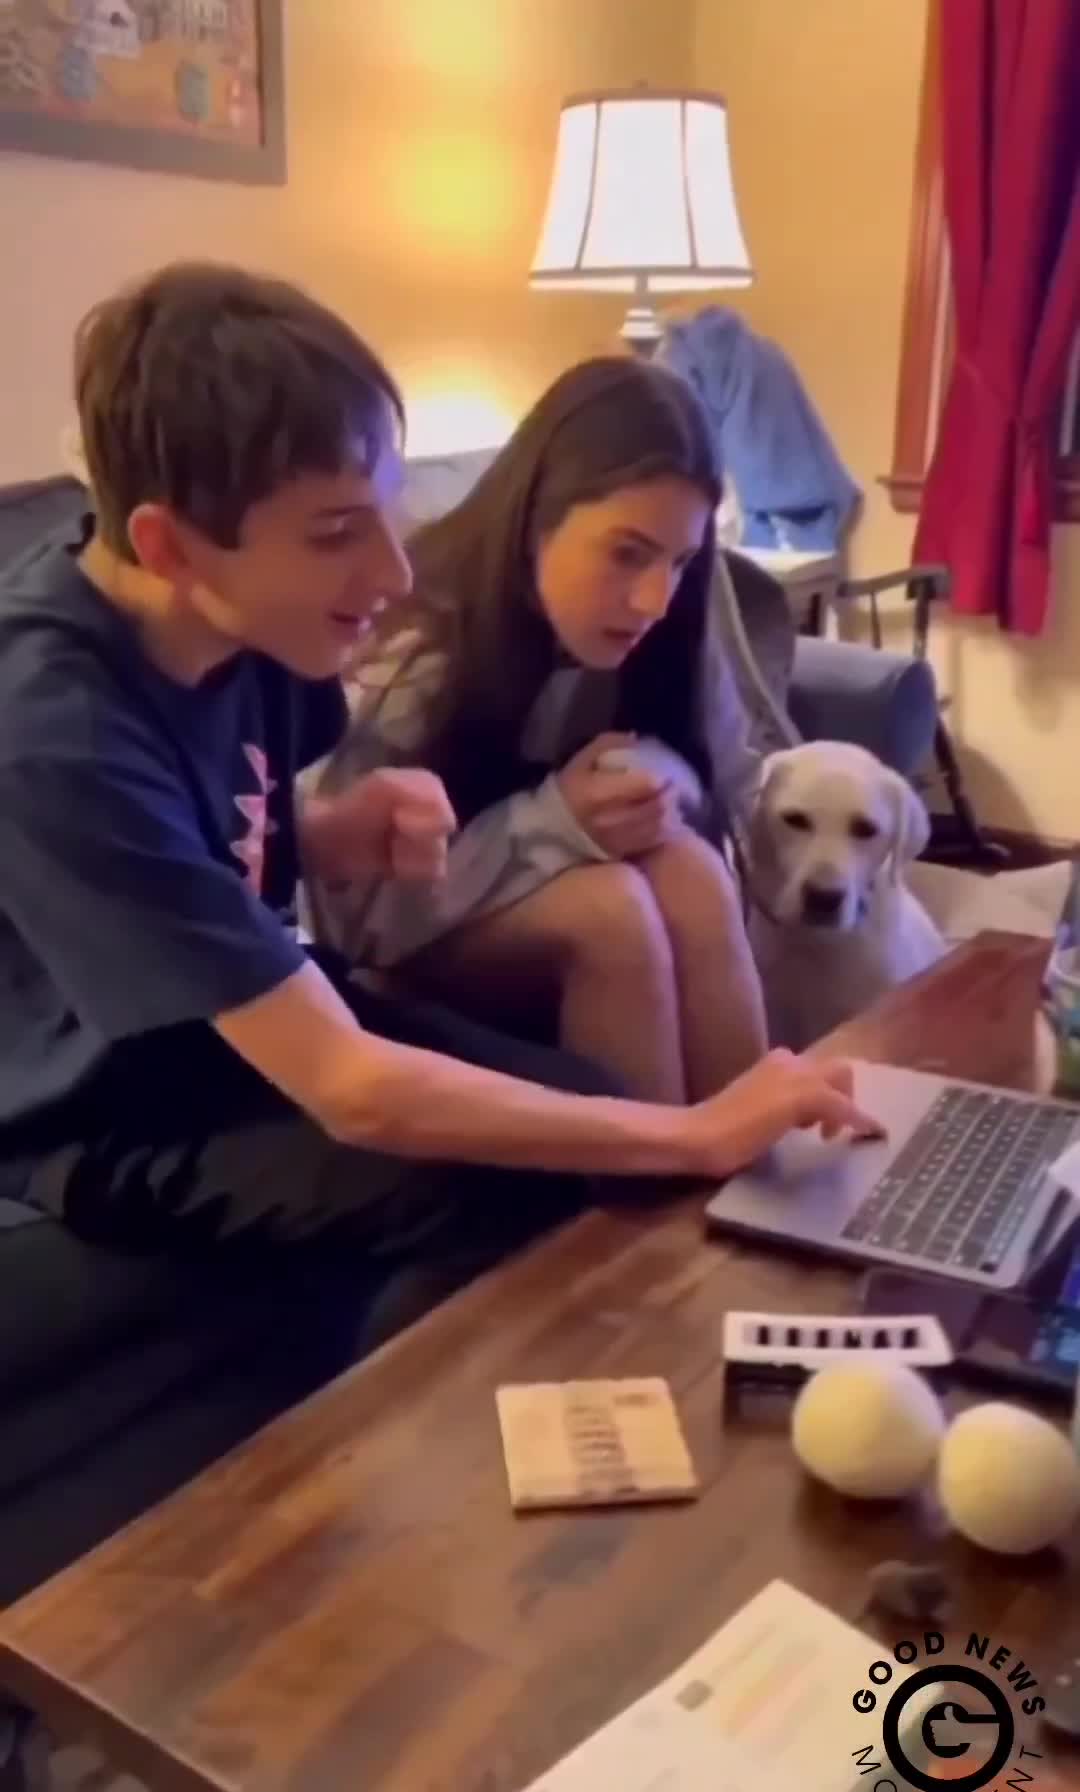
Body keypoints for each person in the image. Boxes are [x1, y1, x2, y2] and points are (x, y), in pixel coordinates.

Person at [0, 263, 877, 1313]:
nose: (395, 574)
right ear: (170, 549)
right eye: (337, 533)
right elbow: (351, 1090)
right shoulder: (53, 730)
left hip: (238, 1016)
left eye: (384, 510)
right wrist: (695, 1133)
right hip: (102, 1107)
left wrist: (332, 831)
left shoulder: (254, 623)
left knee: (588, 1104)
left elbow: (196, 837)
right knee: (500, 1184)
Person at [310, 356, 770, 1104]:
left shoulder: (670, 623)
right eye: (626, 554)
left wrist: (662, 782)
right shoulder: (414, 645)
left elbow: (737, 783)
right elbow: (345, 919)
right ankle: (646, 1180)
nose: (654, 600)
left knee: (694, 875)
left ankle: (755, 1161)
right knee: (611, 914)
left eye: (681, 560)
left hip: (520, 880)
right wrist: (554, 823)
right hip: (400, 938)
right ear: (535, 522)